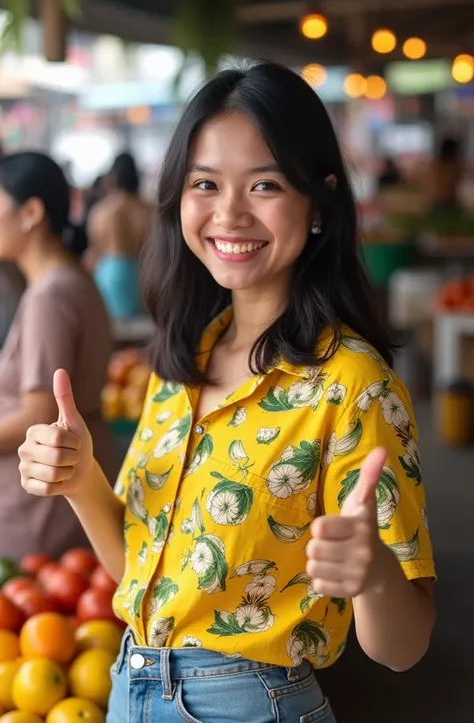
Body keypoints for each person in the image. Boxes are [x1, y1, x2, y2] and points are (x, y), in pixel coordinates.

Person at [19, 63, 436, 723]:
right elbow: (136, 569)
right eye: (205, 184)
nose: (229, 213)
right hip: (130, 689)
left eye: (264, 185)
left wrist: (375, 573)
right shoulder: (184, 356)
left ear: (319, 203)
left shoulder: (354, 386)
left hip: (253, 705)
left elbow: (404, 648)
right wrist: (80, 480)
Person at [0, 151, 118, 560]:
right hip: (61, 483)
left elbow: (37, 413)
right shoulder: (71, 278)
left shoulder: (51, 294)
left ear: (31, 212)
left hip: (42, 503)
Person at [87, 153, 152, 319]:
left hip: (107, 271)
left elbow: (94, 250)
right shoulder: (147, 210)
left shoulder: (101, 211)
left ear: (113, 177)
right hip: (140, 271)